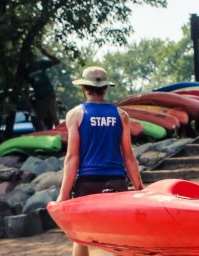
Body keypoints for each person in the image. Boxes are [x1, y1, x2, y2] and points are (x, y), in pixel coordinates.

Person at [55, 67, 144, 256]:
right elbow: (128, 156)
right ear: (105, 89)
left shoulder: (75, 115)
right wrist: (139, 187)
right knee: (119, 236)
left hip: (87, 182)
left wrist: (63, 195)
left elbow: (72, 157)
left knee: (81, 236)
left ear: (84, 88)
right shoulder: (121, 115)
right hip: (116, 180)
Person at [27, 48, 62, 131]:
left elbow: (57, 61)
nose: (31, 59)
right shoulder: (26, 71)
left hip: (49, 93)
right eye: (28, 57)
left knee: (53, 114)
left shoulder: (40, 64)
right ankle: (42, 135)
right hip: (39, 96)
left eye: (32, 57)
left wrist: (46, 53)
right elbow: (23, 85)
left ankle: (60, 133)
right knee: (38, 117)